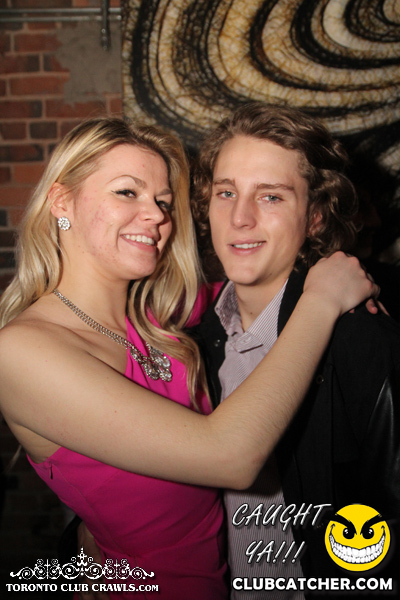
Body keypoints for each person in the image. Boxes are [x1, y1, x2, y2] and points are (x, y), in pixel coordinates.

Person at [0, 117, 376, 600]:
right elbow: (230, 456)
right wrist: (323, 300)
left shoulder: (161, 316)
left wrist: (349, 274)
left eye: (162, 201)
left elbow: (255, 283)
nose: (156, 216)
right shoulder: (22, 351)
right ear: (61, 202)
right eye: (127, 192)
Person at [191, 102, 400, 598]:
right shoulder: (193, 345)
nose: (240, 218)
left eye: (271, 196)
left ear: (315, 218)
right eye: (226, 192)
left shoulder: (361, 339)